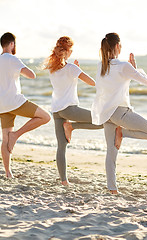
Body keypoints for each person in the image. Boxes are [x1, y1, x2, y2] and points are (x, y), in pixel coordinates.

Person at [91, 33, 147, 194]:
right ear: (117, 47)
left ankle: (112, 189)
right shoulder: (123, 66)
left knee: (111, 151)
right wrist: (135, 68)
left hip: (106, 113)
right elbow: (146, 81)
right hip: (119, 112)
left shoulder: (100, 65)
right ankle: (122, 133)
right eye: (120, 45)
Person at [44, 36, 103, 186]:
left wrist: (75, 71)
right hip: (69, 110)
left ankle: (64, 181)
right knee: (102, 120)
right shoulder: (71, 68)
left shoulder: (52, 68)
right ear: (68, 51)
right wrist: (78, 70)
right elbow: (92, 83)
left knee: (61, 146)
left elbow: (66, 81)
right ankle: (72, 126)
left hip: (56, 110)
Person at [0, 32, 51, 178]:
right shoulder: (13, 58)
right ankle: (16, 135)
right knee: (46, 117)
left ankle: (8, 173)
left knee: (5, 138)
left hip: (1, 103)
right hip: (14, 101)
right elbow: (31, 75)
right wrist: (22, 66)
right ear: (12, 44)